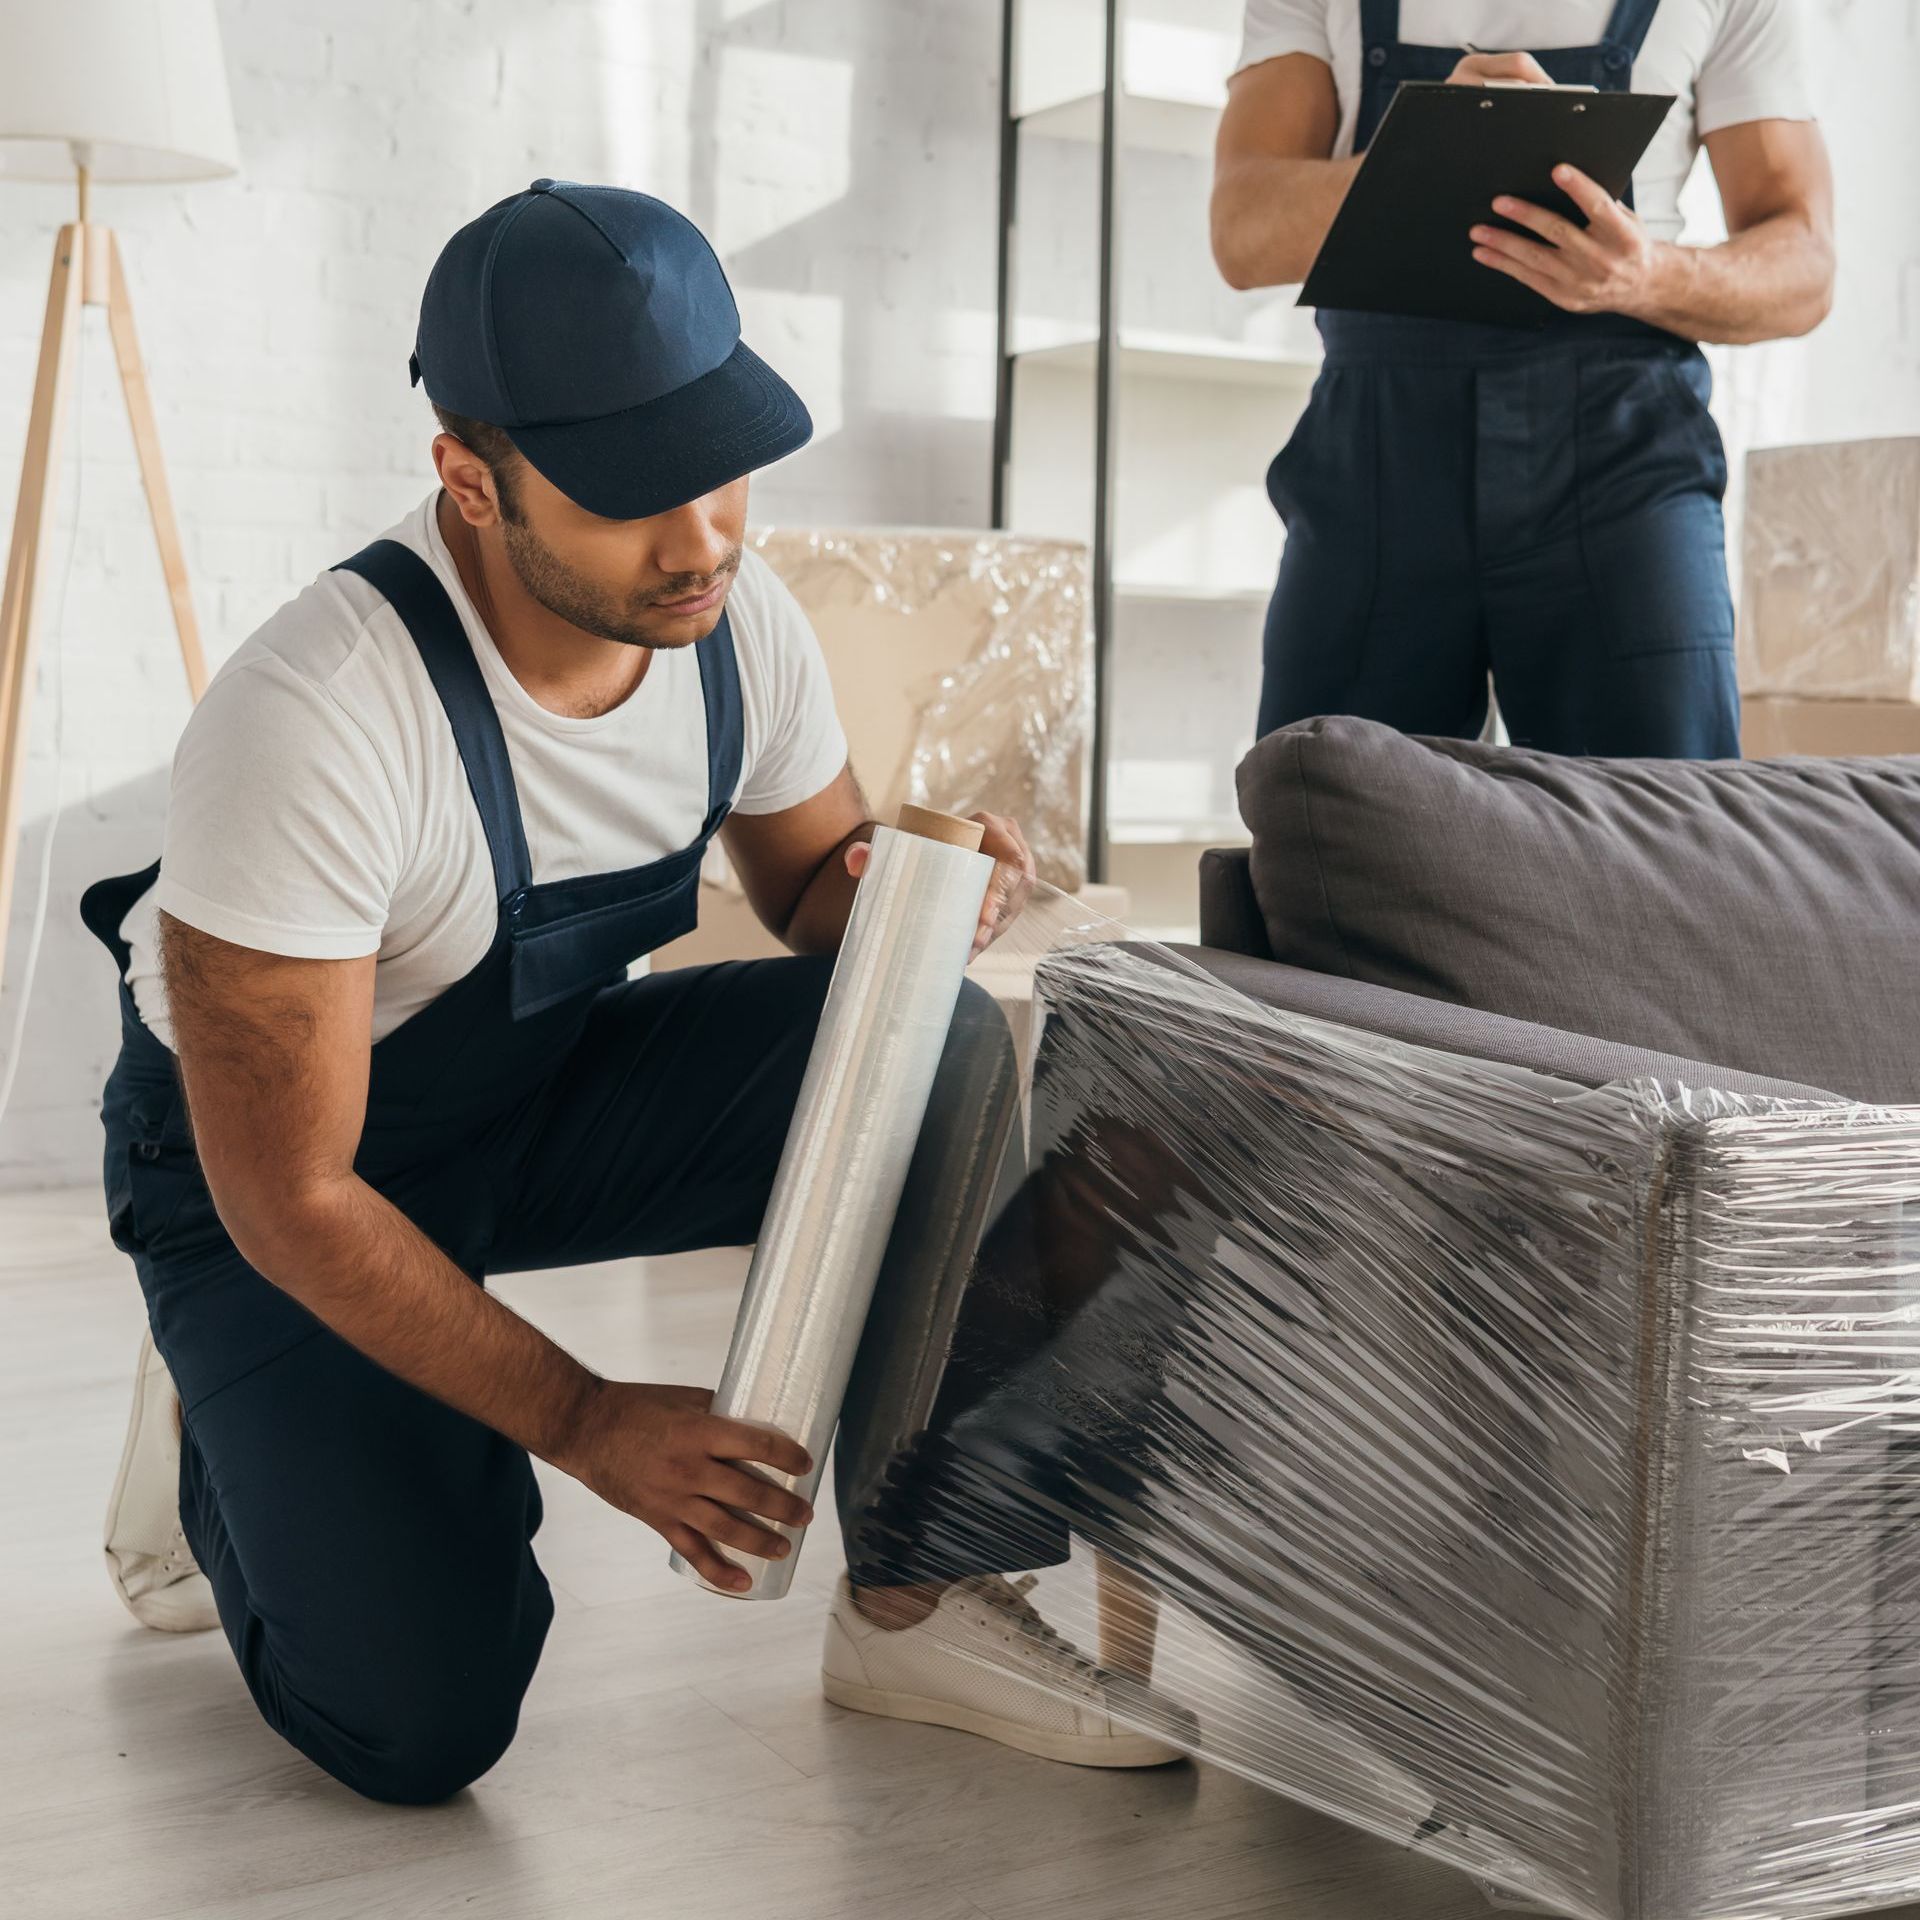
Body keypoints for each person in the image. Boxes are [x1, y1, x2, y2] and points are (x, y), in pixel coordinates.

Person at [89, 180, 1182, 1804]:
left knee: (924, 1040)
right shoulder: (314, 715)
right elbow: (296, 1192)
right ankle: (217, 1417)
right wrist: (591, 1418)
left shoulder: (736, 628)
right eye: (627, 496)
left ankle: (922, 1594)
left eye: (719, 467)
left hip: (529, 1097)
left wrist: (894, 898)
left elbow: (813, 893)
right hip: (278, 1178)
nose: (703, 541)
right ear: (470, 480)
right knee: (418, 1727)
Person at [1213, 0, 1835, 755]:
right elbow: (1242, 228)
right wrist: (1431, 151)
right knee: (1323, 825)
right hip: (1377, 461)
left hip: (1621, 467)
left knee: (1659, 845)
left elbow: (1804, 265)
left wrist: (1643, 275)